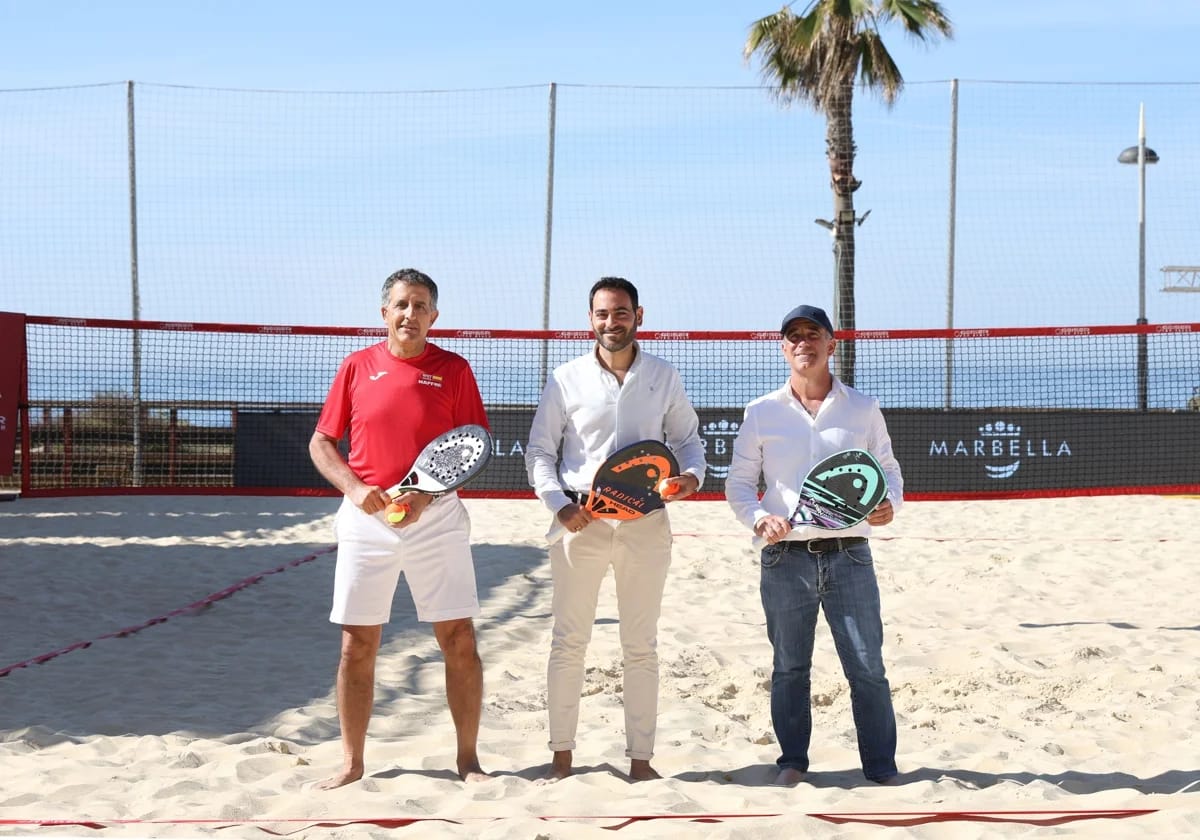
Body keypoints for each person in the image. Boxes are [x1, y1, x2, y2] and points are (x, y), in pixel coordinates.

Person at [308, 268, 490, 789]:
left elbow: (473, 445)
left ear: (434, 315)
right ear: (384, 312)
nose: (410, 314)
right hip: (368, 520)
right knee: (356, 645)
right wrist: (354, 487)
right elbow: (322, 444)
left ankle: (469, 761)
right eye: (401, 305)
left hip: (436, 518)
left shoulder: (454, 370)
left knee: (458, 638)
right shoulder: (356, 366)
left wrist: (423, 495)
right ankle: (351, 762)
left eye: (420, 305)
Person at [525, 276, 707, 782]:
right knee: (569, 641)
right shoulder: (565, 378)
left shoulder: (664, 376)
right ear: (590, 319)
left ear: (639, 316)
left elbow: (689, 443)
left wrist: (691, 477)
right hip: (580, 522)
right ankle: (561, 757)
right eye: (603, 314)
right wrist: (559, 505)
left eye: (621, 312)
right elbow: (540, 452)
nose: (612, 322)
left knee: (640, 644)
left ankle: (641, 763)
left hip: (646, 523)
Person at [724, 304, 903, 787]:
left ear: (831, 344)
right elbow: (738, 484)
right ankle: (792, 764)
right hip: (785, 557)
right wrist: (760, 519)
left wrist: (889, 504)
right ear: (783, 348)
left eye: (812, 334)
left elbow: (886, 470)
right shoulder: (761, 412)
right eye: (793, 335)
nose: (803, 342)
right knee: (789, 668)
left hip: (849, 553)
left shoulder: (862, 407)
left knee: (867, 665)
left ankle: (881, 770)